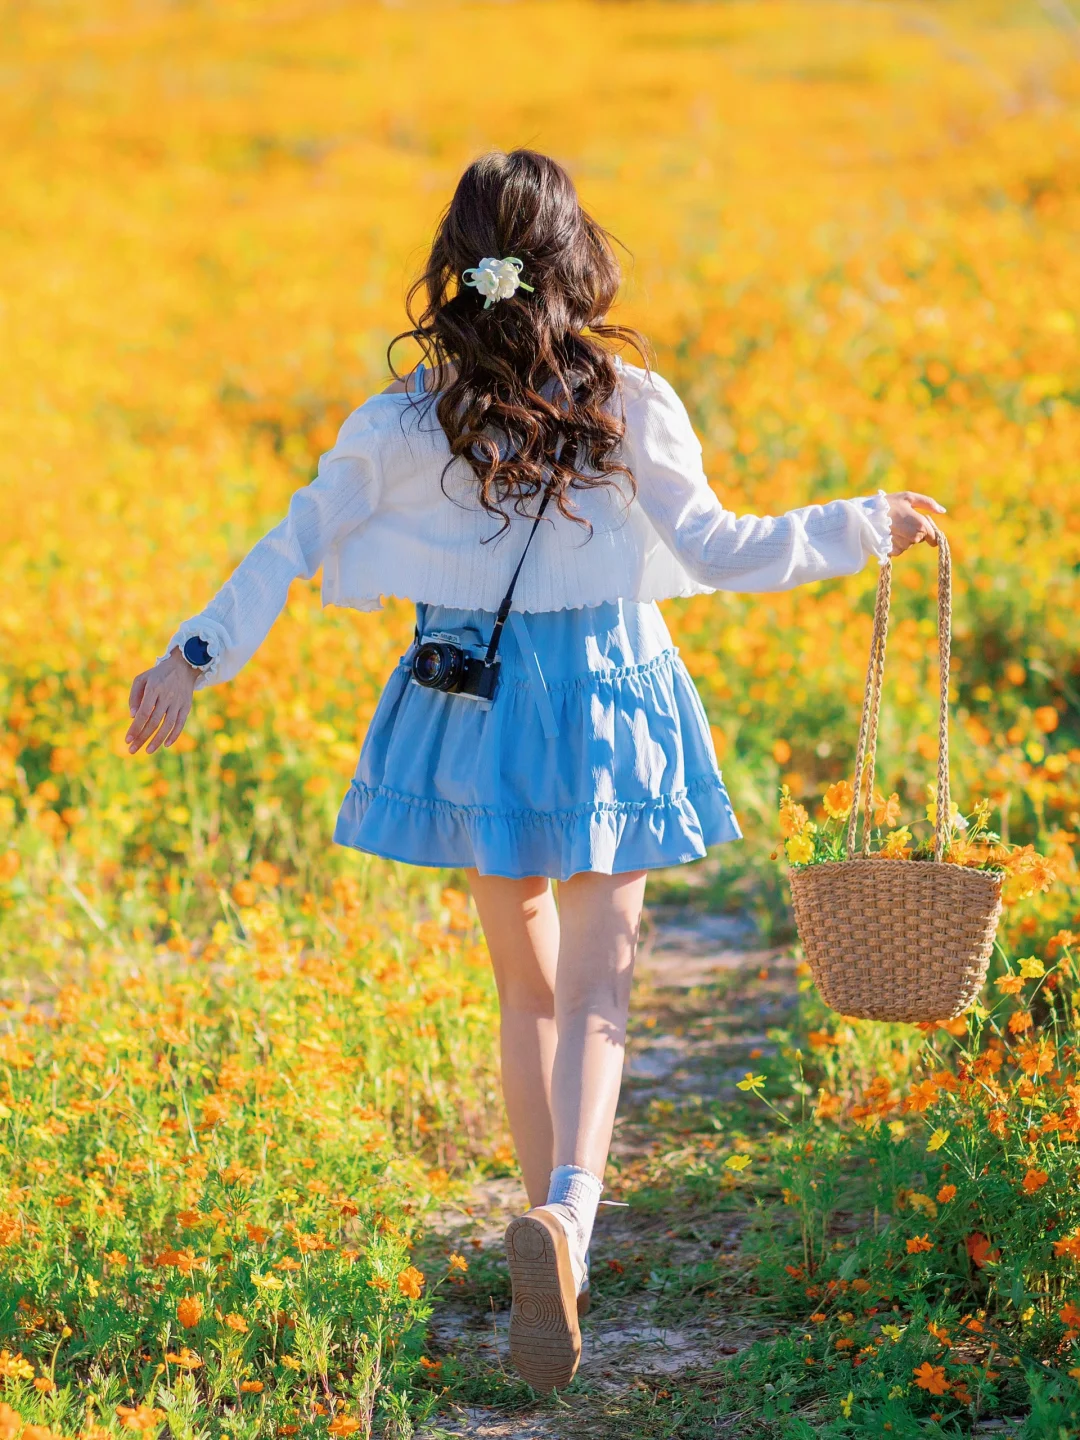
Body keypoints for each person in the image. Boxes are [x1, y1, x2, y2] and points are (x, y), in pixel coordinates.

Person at [126, 148, 943, 1391]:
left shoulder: (407, 421)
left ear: (455, 267)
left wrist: (193, 655)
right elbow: (720, 548)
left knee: (532, 994)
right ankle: (568, 1221)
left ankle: (543, 1234)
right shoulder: (630, 401)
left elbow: (292, 539)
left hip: (477, 705)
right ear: (574, 259)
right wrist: (863, 523)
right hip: (612, 695)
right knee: (603, 990)